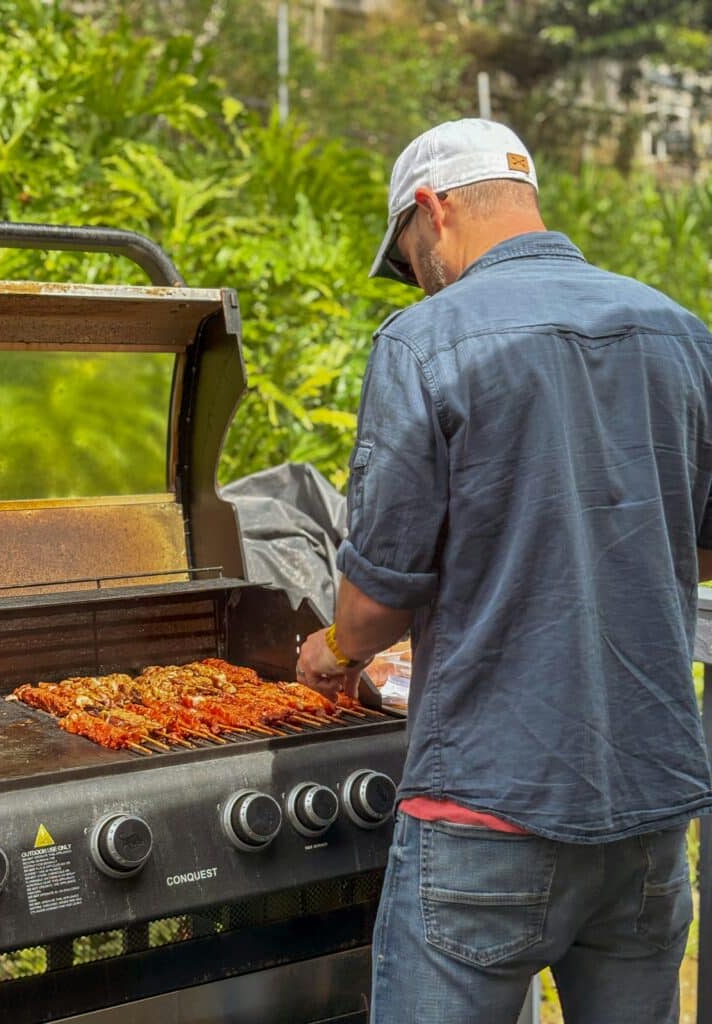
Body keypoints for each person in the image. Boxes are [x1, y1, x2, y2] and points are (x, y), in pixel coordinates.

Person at [296, 118, 712, 1024]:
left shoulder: (424, 342)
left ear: (433, 210)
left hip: (486, 808)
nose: (417, 277)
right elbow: (697, 542)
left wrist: (335, 650)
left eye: (407, 256)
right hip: (646, 816)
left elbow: (377, 600)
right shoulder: (681, 332)